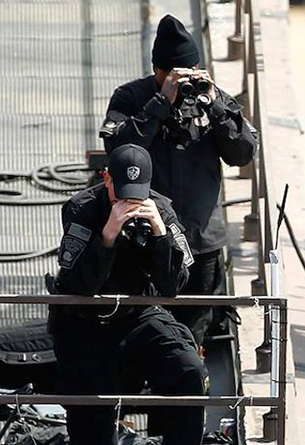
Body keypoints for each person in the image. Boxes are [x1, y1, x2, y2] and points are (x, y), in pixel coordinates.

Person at [100, 14, 258, 344]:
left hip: (200, 242)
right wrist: (160, 103)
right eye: (173, 75)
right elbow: (117, 147)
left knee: (192, 333)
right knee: (141, 325)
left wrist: (215, 106)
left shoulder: (211, 100)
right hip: (145, 239)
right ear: (158, 71)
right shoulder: (131, 98)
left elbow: (243, 153)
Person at [47, 144, 206, 445]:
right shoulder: (83, 209)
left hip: (138, 313)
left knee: (187, 368)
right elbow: (77, 285)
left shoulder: (161, 209)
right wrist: (107, 236)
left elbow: (173, 286)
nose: (129, 201)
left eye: (136, 193)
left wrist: (159, 234)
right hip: (87, 320)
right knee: (90, 419)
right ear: (106, 178)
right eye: (121, 192)